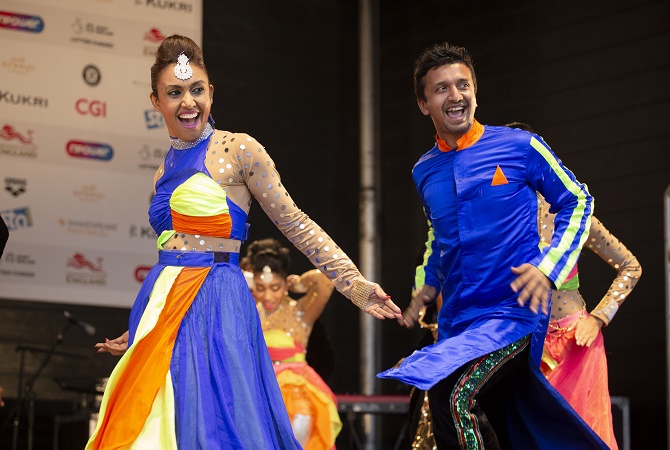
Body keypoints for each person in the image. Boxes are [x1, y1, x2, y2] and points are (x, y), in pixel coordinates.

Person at [86, 34, 401, 449]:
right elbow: (174, 255)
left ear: (211, 92)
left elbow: (296, 222)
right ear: (155, 101)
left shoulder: (239, 150)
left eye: (197, 90)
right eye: (174, 93)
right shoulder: (164, 168)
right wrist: (143, 326)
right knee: (162, 429)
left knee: (221, 429)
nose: (188, 103)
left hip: (218, 302)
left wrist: (352, 283)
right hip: (165, 312)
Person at [378, 42, 606, 449]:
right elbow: (438, 237)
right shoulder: (423, 171)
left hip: (513, 314)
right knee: (489, 418)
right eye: (441, 88)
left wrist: (548, 267)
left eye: (463, 85)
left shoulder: (520, 146)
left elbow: (579, 200)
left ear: (476, 92)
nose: (455, 95)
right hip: (457, 323)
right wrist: (426, 285)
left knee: (455, 397)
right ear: (423, 103)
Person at [507, 121, 641, 448]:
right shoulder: (500, 223)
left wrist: (598, 318)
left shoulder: (574, 215)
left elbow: (630, 266)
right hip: (522, 350)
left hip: (576, 348)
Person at [242, 238, 341, 449]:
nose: (267, 295)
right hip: (259, 391)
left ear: (285, 283)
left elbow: (325, 281)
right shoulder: (250, 311)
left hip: (296, 396)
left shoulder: (300, 312)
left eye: (275, 287)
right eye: (260, 287)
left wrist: (300, 284)